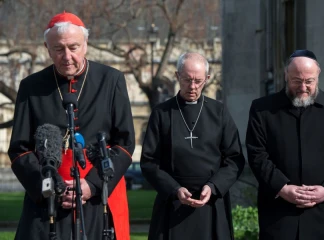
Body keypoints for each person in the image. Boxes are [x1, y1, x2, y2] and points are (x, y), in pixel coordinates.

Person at [8, 12, 135, 240]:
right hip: (48, 199)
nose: (67, 56)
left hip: (100, 194)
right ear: (47, 50)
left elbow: (124, 144)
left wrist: (92, 185)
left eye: (73, 47)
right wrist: (52, 186)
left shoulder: (112, 80)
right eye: (58, 49)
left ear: (85, 45)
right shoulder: (31, 86)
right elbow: (19, 149)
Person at [246, 49, 324, 240]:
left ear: (318, 76)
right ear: (286, 76)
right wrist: (282, 187)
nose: (303, 87)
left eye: (309, 81)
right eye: (297, 81)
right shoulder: (262, 109)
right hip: (279, 214)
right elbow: (257, 154)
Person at [140, 52, 245, 240]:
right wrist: (174, 189)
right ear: (177, 76)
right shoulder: (161, 113)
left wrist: (213, 187)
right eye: (187, 80)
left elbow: (235, 159)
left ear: (207, 79)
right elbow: (149, 162)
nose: (193, 86)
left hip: (211, 201)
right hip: (172, 202)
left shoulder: (218, 112)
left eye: (198, 81)